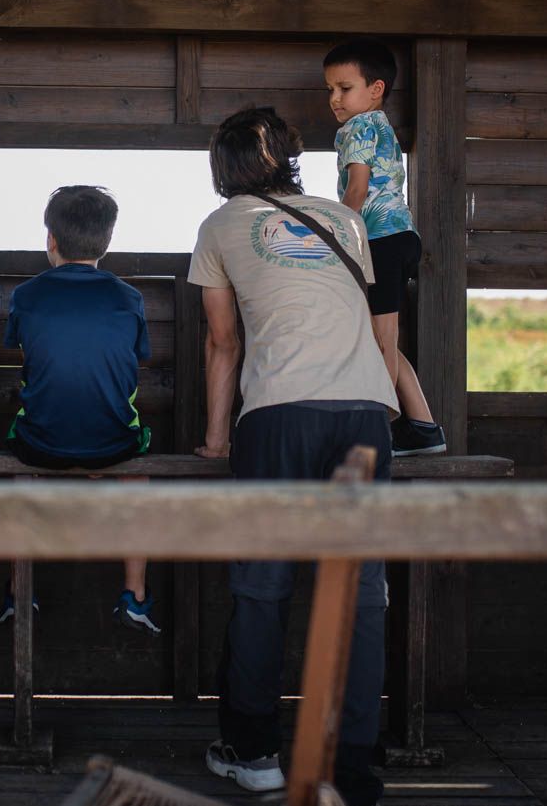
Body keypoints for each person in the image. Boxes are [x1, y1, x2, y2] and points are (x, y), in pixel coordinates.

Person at [189, 107, 396, 803]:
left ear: (224, 167)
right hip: (366, 408)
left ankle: (254, 751)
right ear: (291, 155)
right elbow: (354, 311)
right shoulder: (346, 220)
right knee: (361, 592)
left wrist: (219, 437)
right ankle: (355, 763)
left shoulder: (219, 227)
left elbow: (224, 341)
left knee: (262, 586)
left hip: (279, 410)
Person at [1, 185, 160, 635]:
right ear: (106, 242)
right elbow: (133, 361)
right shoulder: (129, 298)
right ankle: (136, 594)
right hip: (114, 445)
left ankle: (19, 590)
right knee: (140, 477)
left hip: (40, 445)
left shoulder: (26, 295)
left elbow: (29, 359)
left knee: (20, 472)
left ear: (50, 238)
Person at [326, 37, 446, 456]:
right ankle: (424, 427)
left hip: (379, 239)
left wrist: (334, 237)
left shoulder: (356, 127)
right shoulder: (382, 126)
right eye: (331, 90)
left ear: (375, 89)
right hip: (399, 238)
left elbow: (357, 189)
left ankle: (383, 426)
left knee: (379, 340)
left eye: (344, 88)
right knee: (384, 338)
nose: (335, 99)